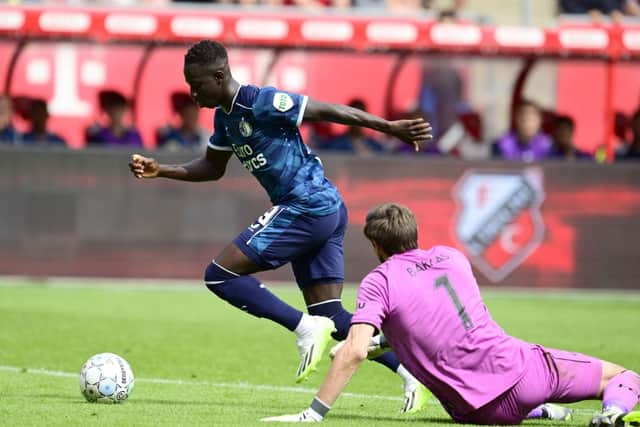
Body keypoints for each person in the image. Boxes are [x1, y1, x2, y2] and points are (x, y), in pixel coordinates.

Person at [128, 40, 433, 411]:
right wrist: (162, 170)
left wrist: (388, 127)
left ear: (220, 75)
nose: (192, 93)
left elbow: (327, 111)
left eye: (198, 84)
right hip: (323, 207)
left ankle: (303, 328)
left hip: (306, 205)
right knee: (331, 315)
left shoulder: (260, 101)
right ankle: (410, 372)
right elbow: (212, 168)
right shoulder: (224, 118)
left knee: (219, 274)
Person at [263, 203, 640, 426]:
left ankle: (542, 411)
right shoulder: (451, 257)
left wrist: (314, 412)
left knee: (505, 397)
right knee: (624, 377)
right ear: (415, 233)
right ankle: (613, 413)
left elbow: (362, 347)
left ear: (376, 245)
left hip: (474, 411)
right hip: (521, 373)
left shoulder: (380, 281)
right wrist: (376, 345)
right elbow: (441, 321)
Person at [320, 99, 385, 156]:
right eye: (354, 116)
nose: (358, 120)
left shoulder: (375, 146)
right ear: (346, 117)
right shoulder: (335, 145)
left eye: (362, 115)